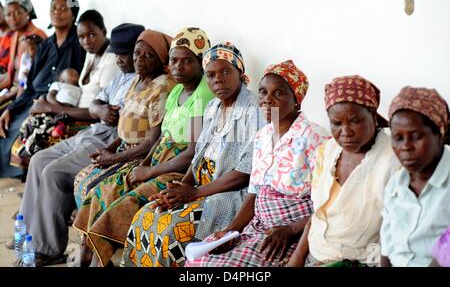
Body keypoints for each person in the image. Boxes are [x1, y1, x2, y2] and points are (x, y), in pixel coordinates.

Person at [73, 27, 215, 267]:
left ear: (201, 62)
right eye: (174, 60)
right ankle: (90, 258)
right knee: (104, 190)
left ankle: (96, 260)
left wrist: (148, 172)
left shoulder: (201, 96)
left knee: (126, 203)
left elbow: (191, 154)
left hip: (178, 169)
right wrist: (144, 164)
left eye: (187, 61)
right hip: (158, 161)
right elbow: (159, 137)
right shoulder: (177, 90)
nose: (179, 66)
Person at [6, 23, 143, 267]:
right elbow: (98, 103)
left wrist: (101, 111)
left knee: (54, 172)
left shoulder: (145, 80)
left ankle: (48, 248)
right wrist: (100, 108)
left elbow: (127, 123)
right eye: (118, 53)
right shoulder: (121, 76)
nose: (121, 59)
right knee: (38, 160)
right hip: (94, 129)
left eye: (126, 54)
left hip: (110, 138)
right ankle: (25, 237)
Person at [121, 41, 266, 267]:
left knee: (170, 230)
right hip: (199, 188)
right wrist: (179, 187)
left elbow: (245, 173)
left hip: (230, 193)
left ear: (240, 72)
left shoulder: (254, 110)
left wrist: (195, 192)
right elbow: (198, 154)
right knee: (147, 213)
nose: (218, 79)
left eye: (226, 72)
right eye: (211, 75)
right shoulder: (211, 108)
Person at [185, 60, 330, 267]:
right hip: (258, 227)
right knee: (199, 259)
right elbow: (255, 192)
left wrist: (290, 230)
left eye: (278, 93)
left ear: (296, 99)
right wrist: (232, 231)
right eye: (262, 92)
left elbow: (327, 203)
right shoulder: (263, 136)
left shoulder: (314, 137)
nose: (267, 100)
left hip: (291, 235)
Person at [286, 75, 400, 267]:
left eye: (355, 121)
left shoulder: (394, 159)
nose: (345, 132)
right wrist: (296, 259)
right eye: (336, 123)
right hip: (314, 256)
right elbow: (318, 214)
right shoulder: (327, 150)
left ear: (373, 115)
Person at [9, 9, 119, 169]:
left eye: (92, 35)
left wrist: (53, 108)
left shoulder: (111, 61)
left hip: (89, 121)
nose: (86, 41)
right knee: (31, 122)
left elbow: (97, 111)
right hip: (74, 110)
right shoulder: (92, 53)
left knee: (42, 135)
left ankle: (42, 173)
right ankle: (33, 174)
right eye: (81, 37)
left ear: (103, 31)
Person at [0, 0, 85, 179]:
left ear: (73, 14)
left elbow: (79, 85)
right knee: (6, 122)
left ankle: (21, 174)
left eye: (64, 9)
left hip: (55, 103)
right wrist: (11, 108)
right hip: (33, 99)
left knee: (19, 132)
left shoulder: (80, 44)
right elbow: (29, 85)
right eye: (54, 8)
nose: (57, 12)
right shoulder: (46, 45)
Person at [380, 86, 450, 267]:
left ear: (440, 134)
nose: (406, 147)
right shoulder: (395, 184)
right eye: (398, 137)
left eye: (416, 136)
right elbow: (386, 250)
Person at [16, 68, 81, 158]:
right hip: (62, 109)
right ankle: (28, 140)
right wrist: (59, 107)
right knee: (44, 123)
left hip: (57, 110)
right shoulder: (71, 88)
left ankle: (30, 144)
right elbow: (50, 96)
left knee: (38, 125)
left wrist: (56, 107)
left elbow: (50, 96)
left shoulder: (63, 85)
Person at [0, 0, 47, 108]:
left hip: (27, 94)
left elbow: (26, 80)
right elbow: (11, 76)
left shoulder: (35, 38)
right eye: (8, 14)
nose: (13, 18)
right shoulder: (16, 35)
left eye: (18, 13)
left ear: (28, 13)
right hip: (14, 89)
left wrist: (10, 100)